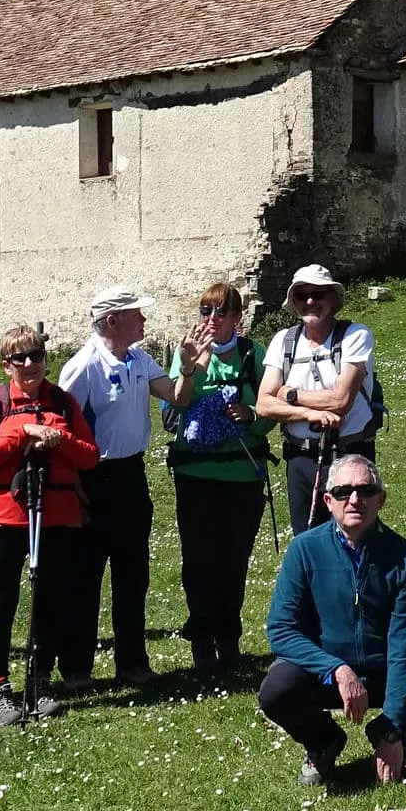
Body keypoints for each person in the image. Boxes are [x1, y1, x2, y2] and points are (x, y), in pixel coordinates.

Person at [260, 455, 406, 785]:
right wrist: (336, 669)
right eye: (343, 492)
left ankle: (385, 735)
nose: (354, 500)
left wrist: (393, 729)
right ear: (328, 501)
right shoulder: (303, 550)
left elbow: (404, 646)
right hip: (325, 676)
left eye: (365, 490)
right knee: (276, 690)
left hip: (385, 672)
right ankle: (323, 742)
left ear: (381, 499)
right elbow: (281, 630)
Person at [0, 325, 99, 726]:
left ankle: (39, 682)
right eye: (20, 358)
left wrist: (60, 440)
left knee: (50, 601)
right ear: (6, 364)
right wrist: (21, 432)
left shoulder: (63, 402)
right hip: (4, 517)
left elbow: (90, 456)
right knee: (1, 604)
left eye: (37, 356)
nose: (30, 364)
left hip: (56, 515)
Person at [57, 283, 178, 687]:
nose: (143, 319)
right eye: (135, 313)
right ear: (112, 321)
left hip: (131, 476)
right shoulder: (83, 366)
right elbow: (62, 428)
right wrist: (75, 490)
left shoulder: (139, 358)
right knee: (84, 575)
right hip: (94, 478)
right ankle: (76, 668)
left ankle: (132, 662)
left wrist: (189, 366)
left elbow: (175, 396)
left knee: (133, 573)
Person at [163, 283, 273, 674]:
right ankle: (201, 637)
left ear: (237, 318)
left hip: (242, 473)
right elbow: (173, 408)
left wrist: (252, 416)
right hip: (195, 472)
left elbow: (271, 405)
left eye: (221, 312)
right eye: (205, 311)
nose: (212, 319)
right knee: (198, 560)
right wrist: (190, 367)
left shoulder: (253, 353)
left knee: (234, 559)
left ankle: (228, 638)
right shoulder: (187, 352)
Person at [256, 265, 376, 534]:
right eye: (302, 295)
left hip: (350, 453)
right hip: (300, 456)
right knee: (306, 538)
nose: (310, 301)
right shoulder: (283, 341)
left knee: (354, 534)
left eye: (318, 294)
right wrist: (310, 414)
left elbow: (340, 401)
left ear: (333, 299)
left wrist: (289, 394)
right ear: (294, 301)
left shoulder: (355, 335)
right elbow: (263, 404)